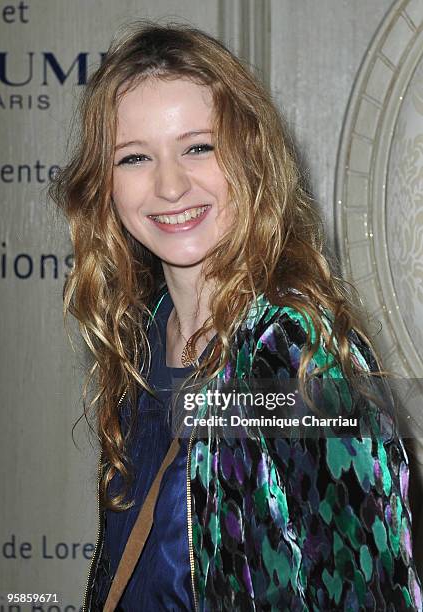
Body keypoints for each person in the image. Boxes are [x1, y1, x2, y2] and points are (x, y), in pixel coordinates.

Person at [49, 21, 423, 612]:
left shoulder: (293, 352)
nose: (170, 186)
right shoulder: (144, 335)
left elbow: (371, 595)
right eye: (135, 157)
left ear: (248, 155)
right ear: (104, 184)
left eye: (199, 147)